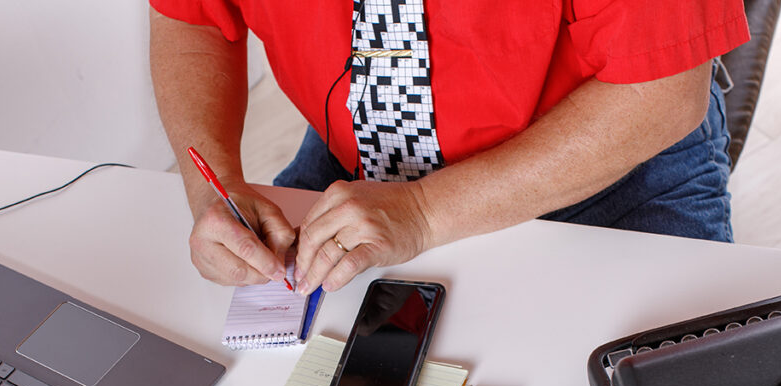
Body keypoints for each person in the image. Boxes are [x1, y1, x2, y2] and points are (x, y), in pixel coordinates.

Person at [149, 1, 749, 295]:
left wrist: (424, 212)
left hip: (606, 164)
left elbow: (661, 95)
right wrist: (213, 185)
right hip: (359, 151)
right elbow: (192, 18)